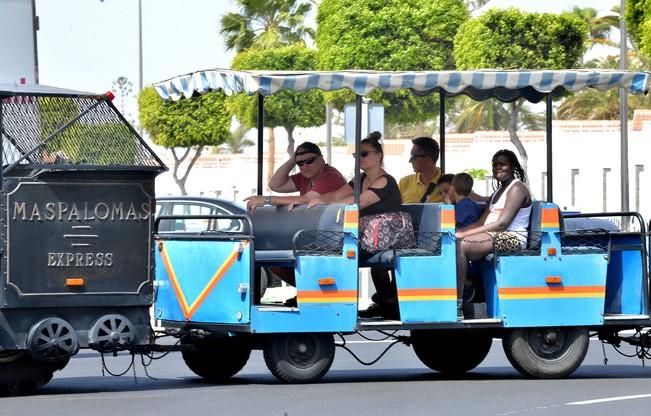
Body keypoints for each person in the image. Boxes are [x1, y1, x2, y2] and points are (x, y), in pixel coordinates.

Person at [308, 131, 403, 319]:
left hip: (388, 236)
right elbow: (337, 196)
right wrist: (315, 199)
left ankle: (383, 302)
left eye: (364, 154)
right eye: (356, 155)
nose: (359, 158)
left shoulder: (385, 181)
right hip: (369, 236)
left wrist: (326, 203)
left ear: (378, 155)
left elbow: (357, 202)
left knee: (343, 251)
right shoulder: (359, 179)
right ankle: (384, 301)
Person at [455, 149, 532, 319]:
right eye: (495, 165)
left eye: (502, 164)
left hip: (513, 238)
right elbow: (481, 222)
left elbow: (502, 223)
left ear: (512, 166)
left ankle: (458, 303)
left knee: (462, 245)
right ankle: (468, 287)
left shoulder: (517, 188)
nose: (498, 168)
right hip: (494, 235)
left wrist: (464, 236)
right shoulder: (498, 192)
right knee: (454, 242)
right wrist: (458, 232)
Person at [245, 142, 346, 211]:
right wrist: (293, 160)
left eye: (310, 161)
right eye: (300, 163)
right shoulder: (305, 176)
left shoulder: (331, 177)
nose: (305, 166)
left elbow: (306, 199)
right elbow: (275, 185)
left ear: (321, 159)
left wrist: (266, 200)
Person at [399, 137, 443, 203]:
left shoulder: (448, 184)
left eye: (414, 156)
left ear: (428, 160)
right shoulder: (404, 182)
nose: (410, 161)